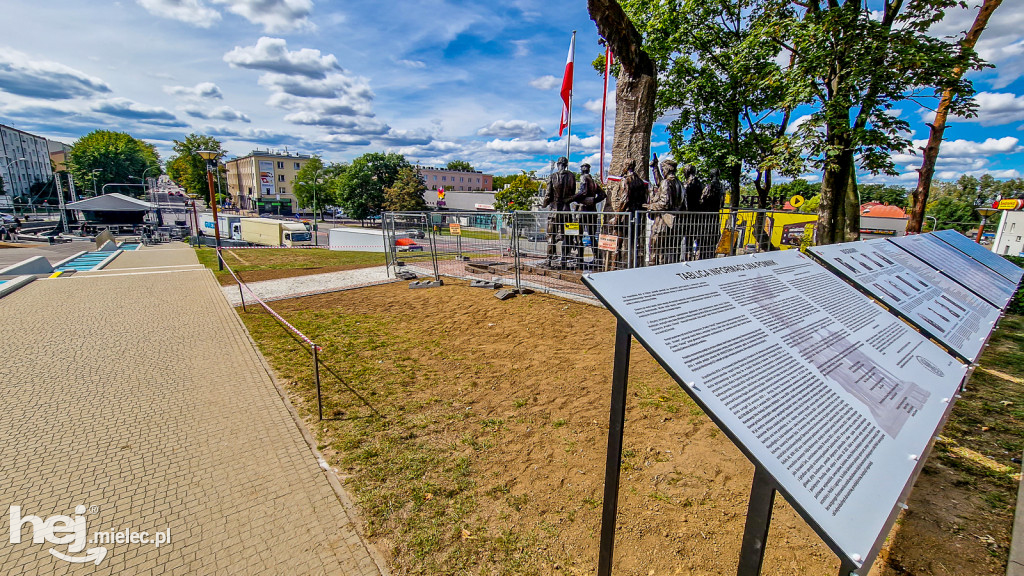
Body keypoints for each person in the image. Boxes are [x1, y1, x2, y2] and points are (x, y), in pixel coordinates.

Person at [541, 156, 577, 268]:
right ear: (566, 165)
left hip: (554, 210)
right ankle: (564, 260)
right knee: (568, 236)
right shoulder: (572, 176)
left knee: (551, 235)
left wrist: (544, 204)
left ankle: (549, 260)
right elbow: (573, 194)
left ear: (558, 165)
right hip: (566, 210)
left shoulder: (552, 177)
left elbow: (548, 195)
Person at [647, 159, 684, 265]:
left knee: (655, 251)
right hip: (676, 224)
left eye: (662, 169)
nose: (662, 171)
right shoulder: (680, 184)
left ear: (667, 169)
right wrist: (655, 168)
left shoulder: (666, 182)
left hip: (662, 224)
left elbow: (664, 203)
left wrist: (651, 206)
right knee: (671, 254)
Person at [571, 163, 606, 263]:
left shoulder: (583, 178)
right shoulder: (594, 182)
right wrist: (594, 201)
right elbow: (603, 194)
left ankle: (580, 259)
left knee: (579, 236)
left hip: (582, 211)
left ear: (582, 170)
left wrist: (573, 198)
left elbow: (583, 192)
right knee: (592, 236)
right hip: (592, 212)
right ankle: (598, 259)